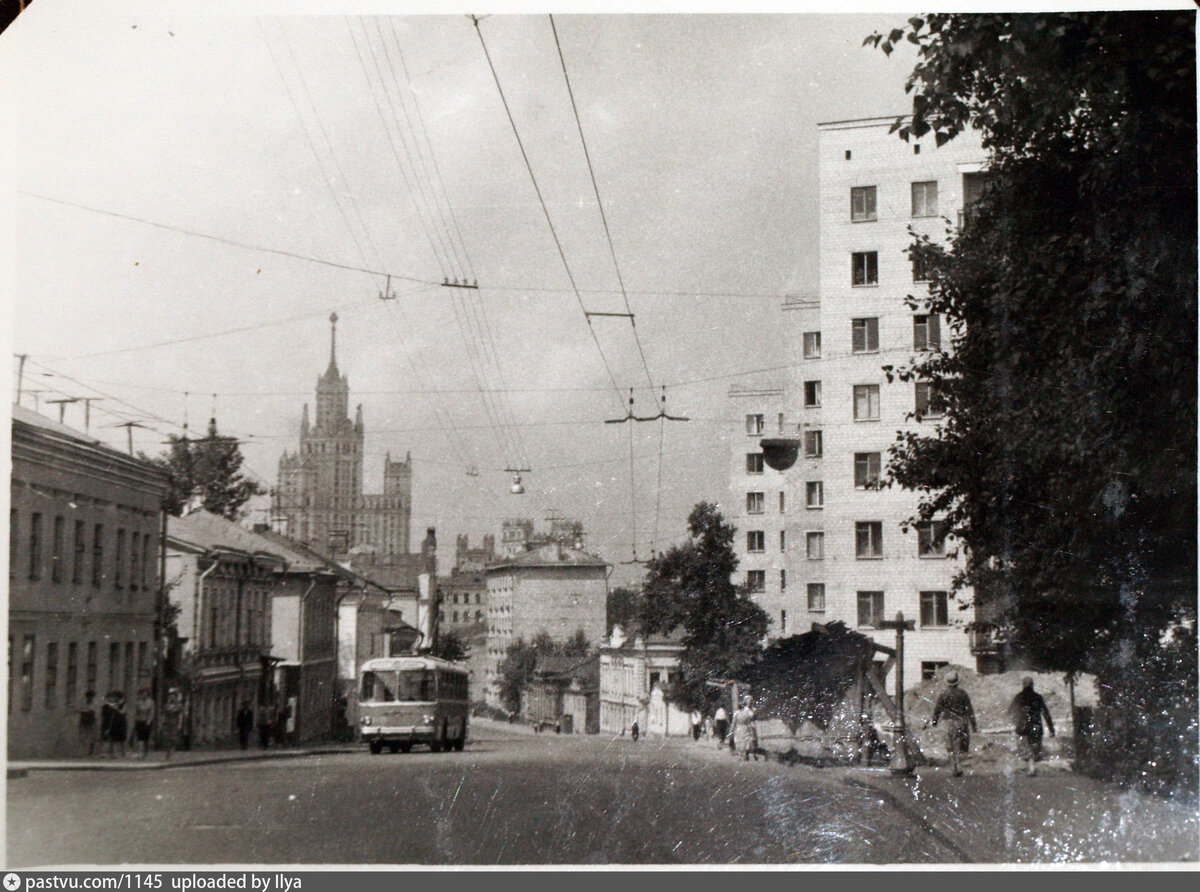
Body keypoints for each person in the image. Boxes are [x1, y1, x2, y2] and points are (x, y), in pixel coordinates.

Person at [929, 670, 977, 776]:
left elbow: (937, 709)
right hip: (961, 721)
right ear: (957, 682)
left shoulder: (943, 694)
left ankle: (954, 767)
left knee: (950, 745)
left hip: (947, 722)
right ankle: (959, 766)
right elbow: (969, 710)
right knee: (958, 744)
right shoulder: (963, 693)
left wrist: (934, 721)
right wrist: (973, 725)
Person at [1009, 676, 1055, 776]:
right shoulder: (1038, 697)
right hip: (1036, 728)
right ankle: (1032, 768)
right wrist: (1051, 729)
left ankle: (1030, 768)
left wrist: (1016, 722)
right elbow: (1046, 714)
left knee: (1026, 749)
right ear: (1032, 685)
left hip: (1023, 728)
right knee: (1034, 749)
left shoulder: (1018, 697)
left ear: (1023, 685)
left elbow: (1010, 711)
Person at [731, 695, 759, 762]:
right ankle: (745, 754)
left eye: (751, 701)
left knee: (752, 741)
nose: (749, 702)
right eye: (748, 701)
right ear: (745, 702)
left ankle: (753, 754)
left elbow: (754, 718)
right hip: (744, 726)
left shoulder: (754, 709)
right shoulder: (743, 710)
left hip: (751, 726)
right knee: (743, 740)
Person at [130, 688, 155, 758]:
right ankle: (140, 752)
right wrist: (135, 720)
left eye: (145, 694)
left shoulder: (151, 702)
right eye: (142, 694)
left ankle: (145, 752)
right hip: (139, 721)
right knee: (139, 737)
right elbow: (136, 712)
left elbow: (151, 713)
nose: (143, 695)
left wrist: (149, 721)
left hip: (147, 721)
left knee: (146, 738)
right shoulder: (138, 702)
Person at [162, 688, 184, 760]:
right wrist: (162, 722)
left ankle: (171, 752)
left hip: (174, 723)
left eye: (173, 696)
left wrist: (180, 724)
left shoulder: (179, 706)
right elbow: (164, 714)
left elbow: (180, 715)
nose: (171, 698)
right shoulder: (166, 705)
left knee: (173, 738)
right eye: (170, 696)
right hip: (167, 723)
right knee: (167, 738)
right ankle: (167, 752)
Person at [78, 690, 99, 757]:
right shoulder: (83, 703)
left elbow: (94, 711)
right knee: (82, 737)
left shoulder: (95, 704)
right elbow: (80, 710)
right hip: (84, 721)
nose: (90, 698)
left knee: (92, 737)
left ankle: (90, 753)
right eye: (89, 697)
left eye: (91, 697)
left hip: (91, 721)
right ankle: (81, 752)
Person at [108, 691, 128, 758]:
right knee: (113, 738)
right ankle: (113, 754)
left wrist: (116, 708)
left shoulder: (124, 704)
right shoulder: (114, 704)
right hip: (115, 722)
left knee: (122, 739)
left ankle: (123, 753)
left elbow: (123, 712)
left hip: (121, 722)